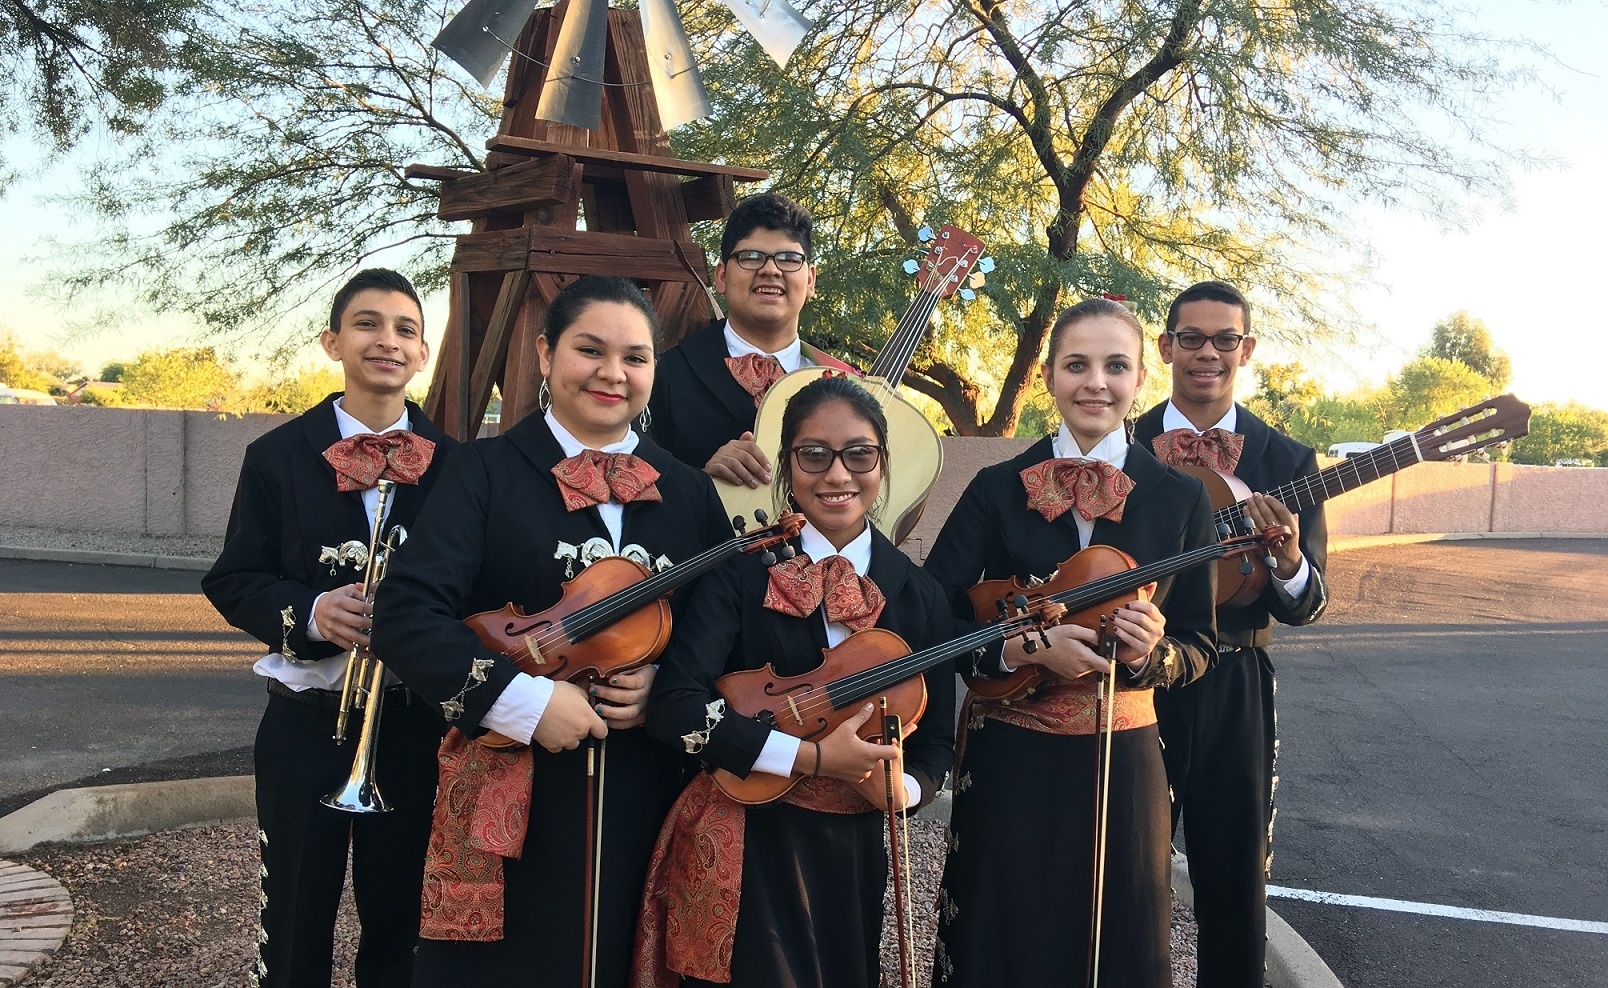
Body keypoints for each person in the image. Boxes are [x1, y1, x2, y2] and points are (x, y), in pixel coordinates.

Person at [369, 275, 732, 986]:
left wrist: (666, 685)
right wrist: (524, 703)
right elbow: (406, 615)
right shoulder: (483, 471)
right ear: (544, 353)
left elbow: (720, 630)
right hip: (512, 783)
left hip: (646, 786)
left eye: (635, 357)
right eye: (589, 350)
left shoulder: (689, 491)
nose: (612, 373)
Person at [633, 374, 970, 988]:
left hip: (854, 849)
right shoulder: (736, 572)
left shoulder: (919, 595)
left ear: (883, 463)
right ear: (786, 466)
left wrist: (909, 791)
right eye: (813, 455)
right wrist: (808, 756)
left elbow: (938, 743)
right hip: (746, 832)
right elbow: (675, 706)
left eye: (858, 454)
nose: (838, 475)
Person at [926, 297, 1220, 988]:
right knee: (1003, 932)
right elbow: (933, 614)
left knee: (1115, 936)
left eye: (1116, 366)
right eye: (1077, 365)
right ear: (1051, 377)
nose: (1096, 382)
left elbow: (1202, 644)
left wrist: (1154, 654)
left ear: (1142, 377)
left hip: (1125, 761)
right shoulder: (995, 489)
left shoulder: (1183, 501)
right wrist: (1018, 650)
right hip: (1009, 757)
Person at [202, 267, 455, 988]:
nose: (388, 340)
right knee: (293, 921)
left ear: (423, 353)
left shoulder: (461, 468)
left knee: (402, 920)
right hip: (307, 725)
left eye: (406, 328)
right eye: (369, 324)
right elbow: (233, 579)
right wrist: (313, 613)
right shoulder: (277, 457)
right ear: (332, 341)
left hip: (413, 726)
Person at [1132, 280, 1328, 988]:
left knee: (1235, 878)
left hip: (1235, 682)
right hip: (1137, 674)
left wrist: (1290, 562)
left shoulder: (1287, 459)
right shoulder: (1117, 438)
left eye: (1224, 340)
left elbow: (1308, 606)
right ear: (1166, 347)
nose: (1207, 353)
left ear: (1246, 350)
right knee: (1125, 869)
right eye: (1192, 338)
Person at [648, 191, 853, 489]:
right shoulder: (665, 375)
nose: (770, 270)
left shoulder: (844, 382)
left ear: (810, 281)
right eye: (751, 257)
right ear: (720, 277)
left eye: (788, 258)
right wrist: (703, 480)